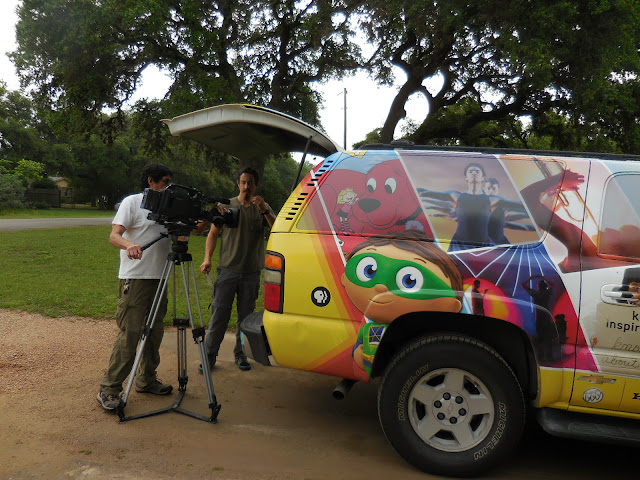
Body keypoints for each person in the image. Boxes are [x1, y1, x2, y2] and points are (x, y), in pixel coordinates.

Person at [97, 163, 174, 411]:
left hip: (160, 278)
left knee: (154, 334)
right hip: (136, 278)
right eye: (165, 182)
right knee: (130, 334)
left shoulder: (169, 207)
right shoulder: (132, 202)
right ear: (151, 181)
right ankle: (109, 389)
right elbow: (114, 236)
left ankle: (146, 379)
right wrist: (129, 245)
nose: (168, 187)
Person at [200, 167, 275, 371]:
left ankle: (240, 354)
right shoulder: (227, 206)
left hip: (251, 273)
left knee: (245, 319)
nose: (246, 186)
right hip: (227, 270)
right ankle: (209, 356)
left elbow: (276, 229)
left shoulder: (263, 207)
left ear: (256, 185)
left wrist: (264, 210)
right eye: (243, 182)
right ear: (238, 184)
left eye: (250, 183)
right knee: (219, 316)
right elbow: (212, 234)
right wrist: (207, 259)